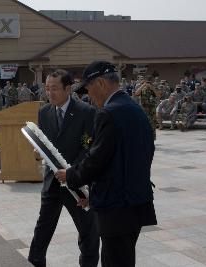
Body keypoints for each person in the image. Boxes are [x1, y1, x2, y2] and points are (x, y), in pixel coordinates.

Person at [55, 61, 157, 267]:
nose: (88, 96)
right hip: (135, 203)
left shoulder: (109, 113)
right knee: (124, 259)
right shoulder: (134, 109)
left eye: (89, 89)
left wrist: (72, 175)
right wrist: (93, 194)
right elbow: (135, 157)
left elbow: (97, 160)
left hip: (116, 208)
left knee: (114, 261)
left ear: (100, 83)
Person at [28, 69, 99, 267]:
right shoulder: (44, 112)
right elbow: (45, 143)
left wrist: (71, 172)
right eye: (47, 88)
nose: (49, 93)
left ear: (68, 89)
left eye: (54, 89)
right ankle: (35, 262)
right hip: (52, 182)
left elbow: (89, 147)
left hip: (77, 183)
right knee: (43, 228)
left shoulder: (86, 112)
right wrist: (38, 152)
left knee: (87, 231)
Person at [134, 76, 161, 140]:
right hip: (143, 108)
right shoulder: (142, 86)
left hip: (152, 109)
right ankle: (143, 137)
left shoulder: (154, 87)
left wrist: (152, 88)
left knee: (152, 124)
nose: (149, 82)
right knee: (143, 123)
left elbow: (159, 96)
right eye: (147, 81)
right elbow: (136, 93)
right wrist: (143, 85)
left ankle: (151, 138)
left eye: (150, 81)